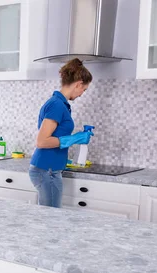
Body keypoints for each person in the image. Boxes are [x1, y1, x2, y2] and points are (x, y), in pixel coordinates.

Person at [29, 58, 94, 208]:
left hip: (49, 169)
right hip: (46, 171)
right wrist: (73, 139)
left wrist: (65, 152)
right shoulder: (57, 105)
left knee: (51, 217)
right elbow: (42, 141)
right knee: (51, 219)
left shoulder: (61, 104)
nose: (82, 94)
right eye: (84, 90)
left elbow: (55, 136)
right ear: (78, 84)